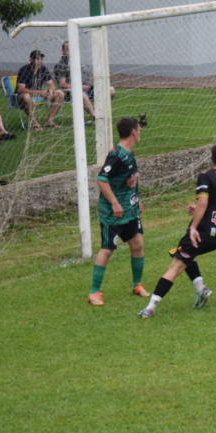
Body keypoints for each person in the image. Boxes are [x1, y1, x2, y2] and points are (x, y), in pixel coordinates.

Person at [139, 143, 216, 317]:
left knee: (175, 266)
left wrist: (194, 227)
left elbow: (203, 202)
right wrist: (203, 213)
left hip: (202, 232)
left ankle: (149, 308)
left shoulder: (207, 176)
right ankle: (201, 288)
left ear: (211, 157)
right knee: (183, 253)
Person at [90, 117, 148, 306]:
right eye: (139, 130)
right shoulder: (116, 154)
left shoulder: (129, 153)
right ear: (133, 132)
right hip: (113, 212)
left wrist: (136, 200)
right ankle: (94, 292)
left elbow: (130, 180)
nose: (140, 133)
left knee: (138, 243)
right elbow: (101, 179)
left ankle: (137, 285)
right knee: (107, 250)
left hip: (129, 209)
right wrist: (115, 203)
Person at [53, 40, 114, 118]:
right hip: (71, 93)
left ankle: (98, 110)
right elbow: (63, 85)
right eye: (68, 49)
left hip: (88, 89)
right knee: (82, 95)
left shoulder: (76, 62)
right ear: (63, 51)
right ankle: (96, 117)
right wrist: (81, 87)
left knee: (110, 90)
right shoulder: (61, 65)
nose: (71, 51)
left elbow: (87, 75)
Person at [16, 50, 65, 130]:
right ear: (31, 60)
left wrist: (50, 91)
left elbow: (52, 85)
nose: (40, 61)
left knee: (60, 93)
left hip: (38, 96)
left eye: (41, 59)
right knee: (26, 96)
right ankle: (35, 124)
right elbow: (21, 89)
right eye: (37, 59)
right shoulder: (24, 70)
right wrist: (40, 92)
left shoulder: (43, 69)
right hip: (22, 98)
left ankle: (49, 121)